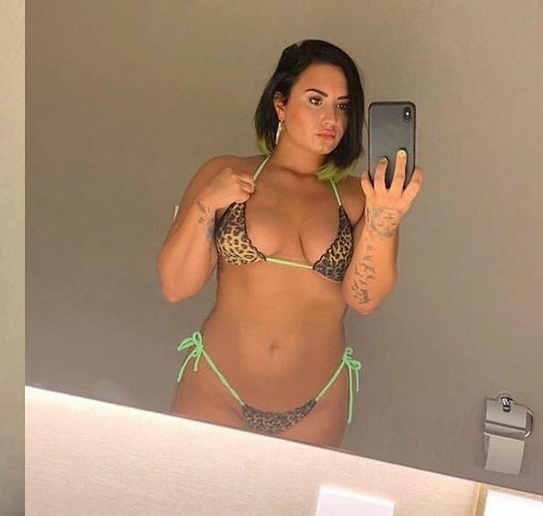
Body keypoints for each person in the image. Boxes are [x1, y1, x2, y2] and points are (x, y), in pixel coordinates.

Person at [158, 39, 422, 447]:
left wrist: (383, 222)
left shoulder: (361, 196)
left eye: (343, 106)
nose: (331, 118)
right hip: (215, 387)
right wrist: (207, 203)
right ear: (280, 105)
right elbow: (176, 286)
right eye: (315, 100)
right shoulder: (224, 172)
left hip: (317, 405)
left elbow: (364, 299)